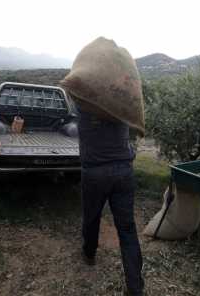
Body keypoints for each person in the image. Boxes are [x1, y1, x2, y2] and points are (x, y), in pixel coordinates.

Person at [74, 97, 144, 296]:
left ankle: (89, 254)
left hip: (94, 173)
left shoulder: (82, 107)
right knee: (127, 229)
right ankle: (135, 288)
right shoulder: (120, 106)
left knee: (92, 216)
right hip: (123, 171)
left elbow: (76, 89)